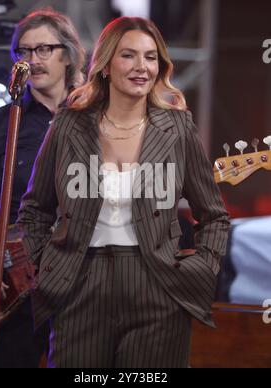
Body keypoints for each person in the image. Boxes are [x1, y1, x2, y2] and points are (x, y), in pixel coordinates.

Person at [17, 16, 230, 368]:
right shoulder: (68, 125)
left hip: (158, 283)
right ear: (106, 64)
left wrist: (202, 266)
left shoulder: (177, 127)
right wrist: (46, 266)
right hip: (79, 282)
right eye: (129, 55)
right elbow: (35, 209)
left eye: (150, 57)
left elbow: (214, 215)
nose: (141, 67)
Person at [0, 8, 85, 368]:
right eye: (23, 51)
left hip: (81, 285)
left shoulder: (98, 122)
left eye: (43, 50)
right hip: (15, 289)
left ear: (67, 54)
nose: (32, 60)